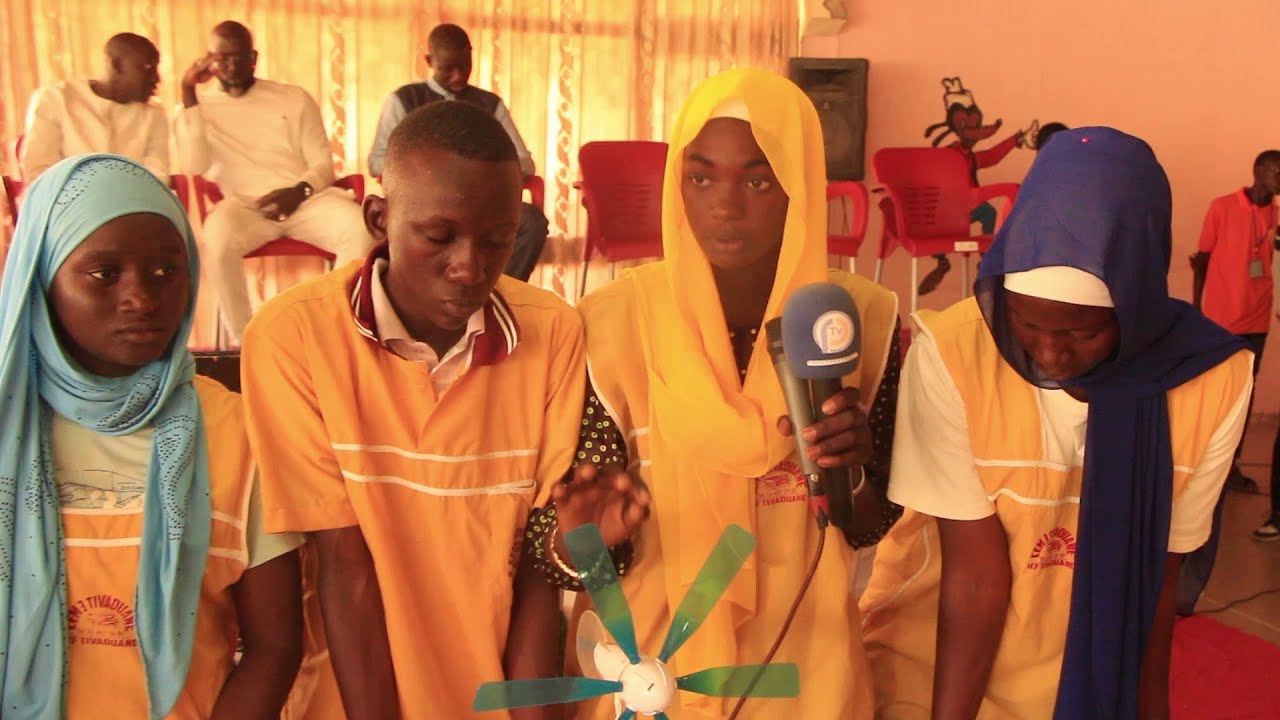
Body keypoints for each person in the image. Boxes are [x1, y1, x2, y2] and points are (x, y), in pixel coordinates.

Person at [241, 101, 649, 720]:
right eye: (439, 237)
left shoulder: (552, 334)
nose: (469, 266)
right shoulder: (293, 338)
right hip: (353, 700)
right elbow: (343, 569)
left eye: (497, 240)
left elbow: (536, 572)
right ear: (379, 218)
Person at [860, 127, 1253, 719]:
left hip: (1079, 683)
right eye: (1026, 324)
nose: (1047, 354)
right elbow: (974, 580)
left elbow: (1154, 583)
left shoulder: (1212, 380)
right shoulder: (957, 354)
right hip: (934, 668)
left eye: (1079, 333)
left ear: (1136, 303)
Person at [566, 68, 903, 720]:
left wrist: (851, 472)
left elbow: (872, 525)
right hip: (652, 673)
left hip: (806, 671)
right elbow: (574, 546)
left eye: (758, 178)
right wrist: (581, 536)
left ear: (800, 187)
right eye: (700, 177)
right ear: (676, 187)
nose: (725, 204)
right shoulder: (610, 326)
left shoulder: (858, 321)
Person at [0, 154, 304, 718]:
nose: (141, 298)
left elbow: (276, 646)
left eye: (166, 272)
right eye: (103, 274)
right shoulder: (7, 425)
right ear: (42, 277)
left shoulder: (238, 431)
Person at [175, 20, 373, 346]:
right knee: (217, 237)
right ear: (208, 61)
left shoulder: (292, 99)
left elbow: (322, 165)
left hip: (306, 200)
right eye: (222, 58)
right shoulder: (199, 108)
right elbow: (193, 165)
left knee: (360, 228)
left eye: (240, 57)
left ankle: (333, 333)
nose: (232, 65)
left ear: (254, 57)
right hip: (246, 207)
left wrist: (298, 192)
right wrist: (188, 94)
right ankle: (246, 342)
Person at [368, 23, 548, 282]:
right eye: (447, 69)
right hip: (424, 203)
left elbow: (524, 162)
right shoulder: (404, 100)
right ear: (430, 61)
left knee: (532, 222)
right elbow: (377, 161)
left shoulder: (489, 104)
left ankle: (498, 293)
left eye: (464, 67)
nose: (457, 76)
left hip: (484, 202)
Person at [21, 33, 167, 183]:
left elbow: (156, 180)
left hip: (133, 204)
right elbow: (39, 173)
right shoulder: (56, 100)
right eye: (147, 69)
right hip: (63, 204)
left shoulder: (153, 116)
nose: (156, 79)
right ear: (117, 65)